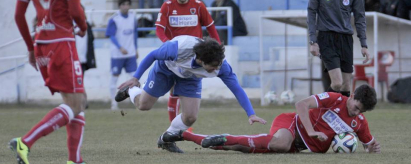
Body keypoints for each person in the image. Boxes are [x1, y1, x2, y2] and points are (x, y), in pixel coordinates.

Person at [12, 0, 87, 164]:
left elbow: (18, 14)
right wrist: (83, 26)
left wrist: (30, 48)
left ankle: (74, 160)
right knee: (77, 102)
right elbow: (75, 10)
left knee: (75, 101)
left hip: (42, 44)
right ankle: (26, 142)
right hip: (62, 41)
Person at [114, 36, 266, 153]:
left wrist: (251, 113)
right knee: (143, 105)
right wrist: (136, 78)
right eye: (212, 67)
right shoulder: (179, 48)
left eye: (217, 66)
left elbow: (236, 88)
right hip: (166, 69)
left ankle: (166, 139)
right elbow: (153, 55)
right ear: (200, 60)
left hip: (190, 78)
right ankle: (131, 91)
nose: (215, 69)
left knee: (191, 117)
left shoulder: (222, 66)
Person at [162, 84, 381, 154]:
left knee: (241, 149)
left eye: (360, 111)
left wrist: (372, 147)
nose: (354, 112)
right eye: (355, 106)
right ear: (351, 96)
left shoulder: (359, 122)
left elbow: (369, 143)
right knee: (280, 143)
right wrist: (312, 131)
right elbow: (301, 105)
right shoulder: (334, 99)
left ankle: (189, 135)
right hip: (291, 124)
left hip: (298, 147)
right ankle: (194, 135)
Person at [155, 0, 221, 122]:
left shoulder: (198, 6)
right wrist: (168, 44)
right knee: (173, 89)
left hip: (196, 55)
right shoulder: (167, 6)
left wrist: (218, 46)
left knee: (189, 90)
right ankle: (173, 125)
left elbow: (211, 28)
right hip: (176, 54)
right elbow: (159, 30)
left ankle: (184, 123)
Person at [307, 0, 370, 97]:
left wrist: (364, 45)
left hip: (346, 39)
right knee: (337, 83)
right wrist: (312, 40)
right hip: (326, 38)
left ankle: (340, 119)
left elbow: (360, 18)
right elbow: (311, 13)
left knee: (346, 86)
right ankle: (319, 112)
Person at [105, 0, 138, 110]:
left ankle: (136, 101)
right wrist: (120, 48)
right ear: (119, 6)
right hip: (117, 55)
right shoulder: (114, 19)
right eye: (123, 4)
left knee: (134, 78)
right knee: (114, 78)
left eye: (127, 4)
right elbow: (111, 35)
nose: (125, 6)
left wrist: (136, 49)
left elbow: (135, 35)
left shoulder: (133, 18)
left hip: (130, 54)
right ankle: (113, 104)